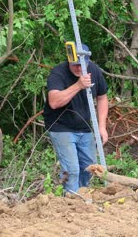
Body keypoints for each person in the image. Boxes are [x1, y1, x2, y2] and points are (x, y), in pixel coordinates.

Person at [43, 43, 108, 194]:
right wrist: (78, 85)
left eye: (82, 65)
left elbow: (102, 98)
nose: (79, 68)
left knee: (89, 167)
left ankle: (83, 196)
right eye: (75, 65)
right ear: (69, 61)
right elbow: (54, 102)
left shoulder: (95, 71)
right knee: (72, 170)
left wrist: (102, 127)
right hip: (61, 127)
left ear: (88, 61)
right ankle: (72, 201)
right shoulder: (58, 73)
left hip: (84, 127)